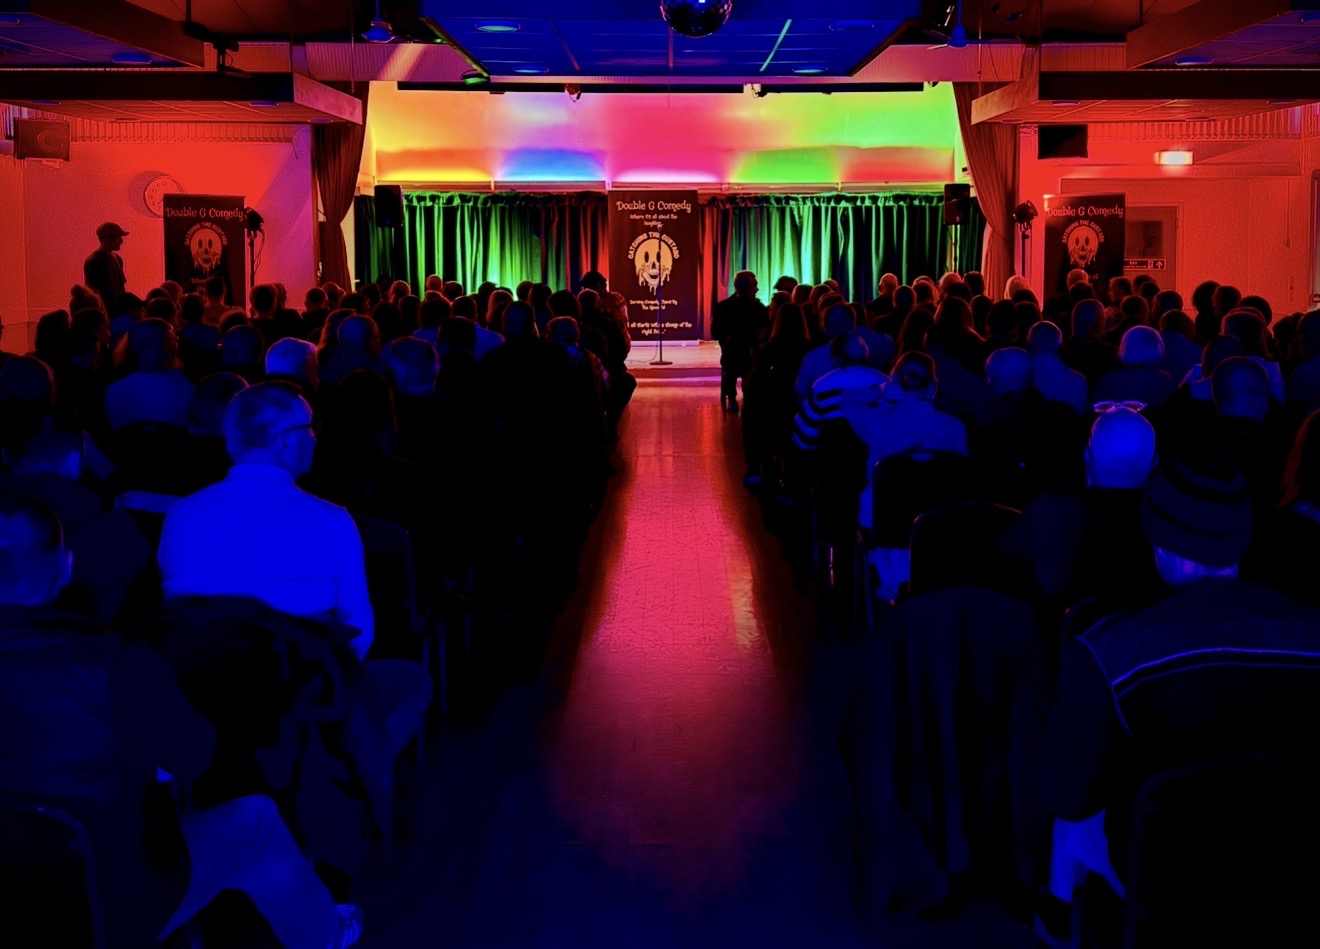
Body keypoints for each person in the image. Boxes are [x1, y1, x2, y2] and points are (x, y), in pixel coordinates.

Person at [0, 494, 365, 949]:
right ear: (66, 567)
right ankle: (327, 934)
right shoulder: (118, 662)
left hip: (10, 900)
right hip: (110, 907)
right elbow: (196, 757)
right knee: (256, 821)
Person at [1038, 452, 1320, 932]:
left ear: (1160, 543)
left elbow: (1066, 794)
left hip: (1165, 878)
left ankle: (1061, 924)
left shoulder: (1107, 648)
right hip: (1300, 868)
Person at [158, 383, 374, 658]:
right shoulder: (331, 521)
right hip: (297, 689)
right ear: (285, 440)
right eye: (310, 428)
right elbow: (358, 632)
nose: (314, 437)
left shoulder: (180, 514)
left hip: (196, 684)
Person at [712, 270, 769, 412]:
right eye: (754, 285)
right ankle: (733, 397)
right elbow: (716, 332)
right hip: (734, 353)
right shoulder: (724, 307)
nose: (757, 289)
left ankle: (748, 396)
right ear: (745, 287)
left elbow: (765, 331)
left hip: (752, 353)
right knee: (734, 360)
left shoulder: (759, 308)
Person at [83, 222, 129, 314]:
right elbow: (92, 293)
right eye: (118, 237)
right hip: (105, 313)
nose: (121, 241)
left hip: (119, 312)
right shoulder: (93, 261)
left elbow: (121, 288)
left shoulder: (117, 259)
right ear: (106, 239)